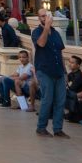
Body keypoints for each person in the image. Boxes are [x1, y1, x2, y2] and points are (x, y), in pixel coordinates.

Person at [32, 9, 68, 138]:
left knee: (60, 101)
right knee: (47, 100)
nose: (45, 18)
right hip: (44, 70)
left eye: (47, 15)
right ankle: (41, 128)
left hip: (58, 71)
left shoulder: (57, 33)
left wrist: (65, 72)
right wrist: (46, 27)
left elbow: (60, 52)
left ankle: (58, 129)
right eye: (42, 16)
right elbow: (41, 43)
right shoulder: (36, 32)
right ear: (39, 18)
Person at [64, 56, 82, 124]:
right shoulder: (71, 74)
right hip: (80, 97)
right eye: (69, 62)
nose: (69, 64)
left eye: (72, 62)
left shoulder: (80, 76)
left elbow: (72, 89)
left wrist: (75, 96)